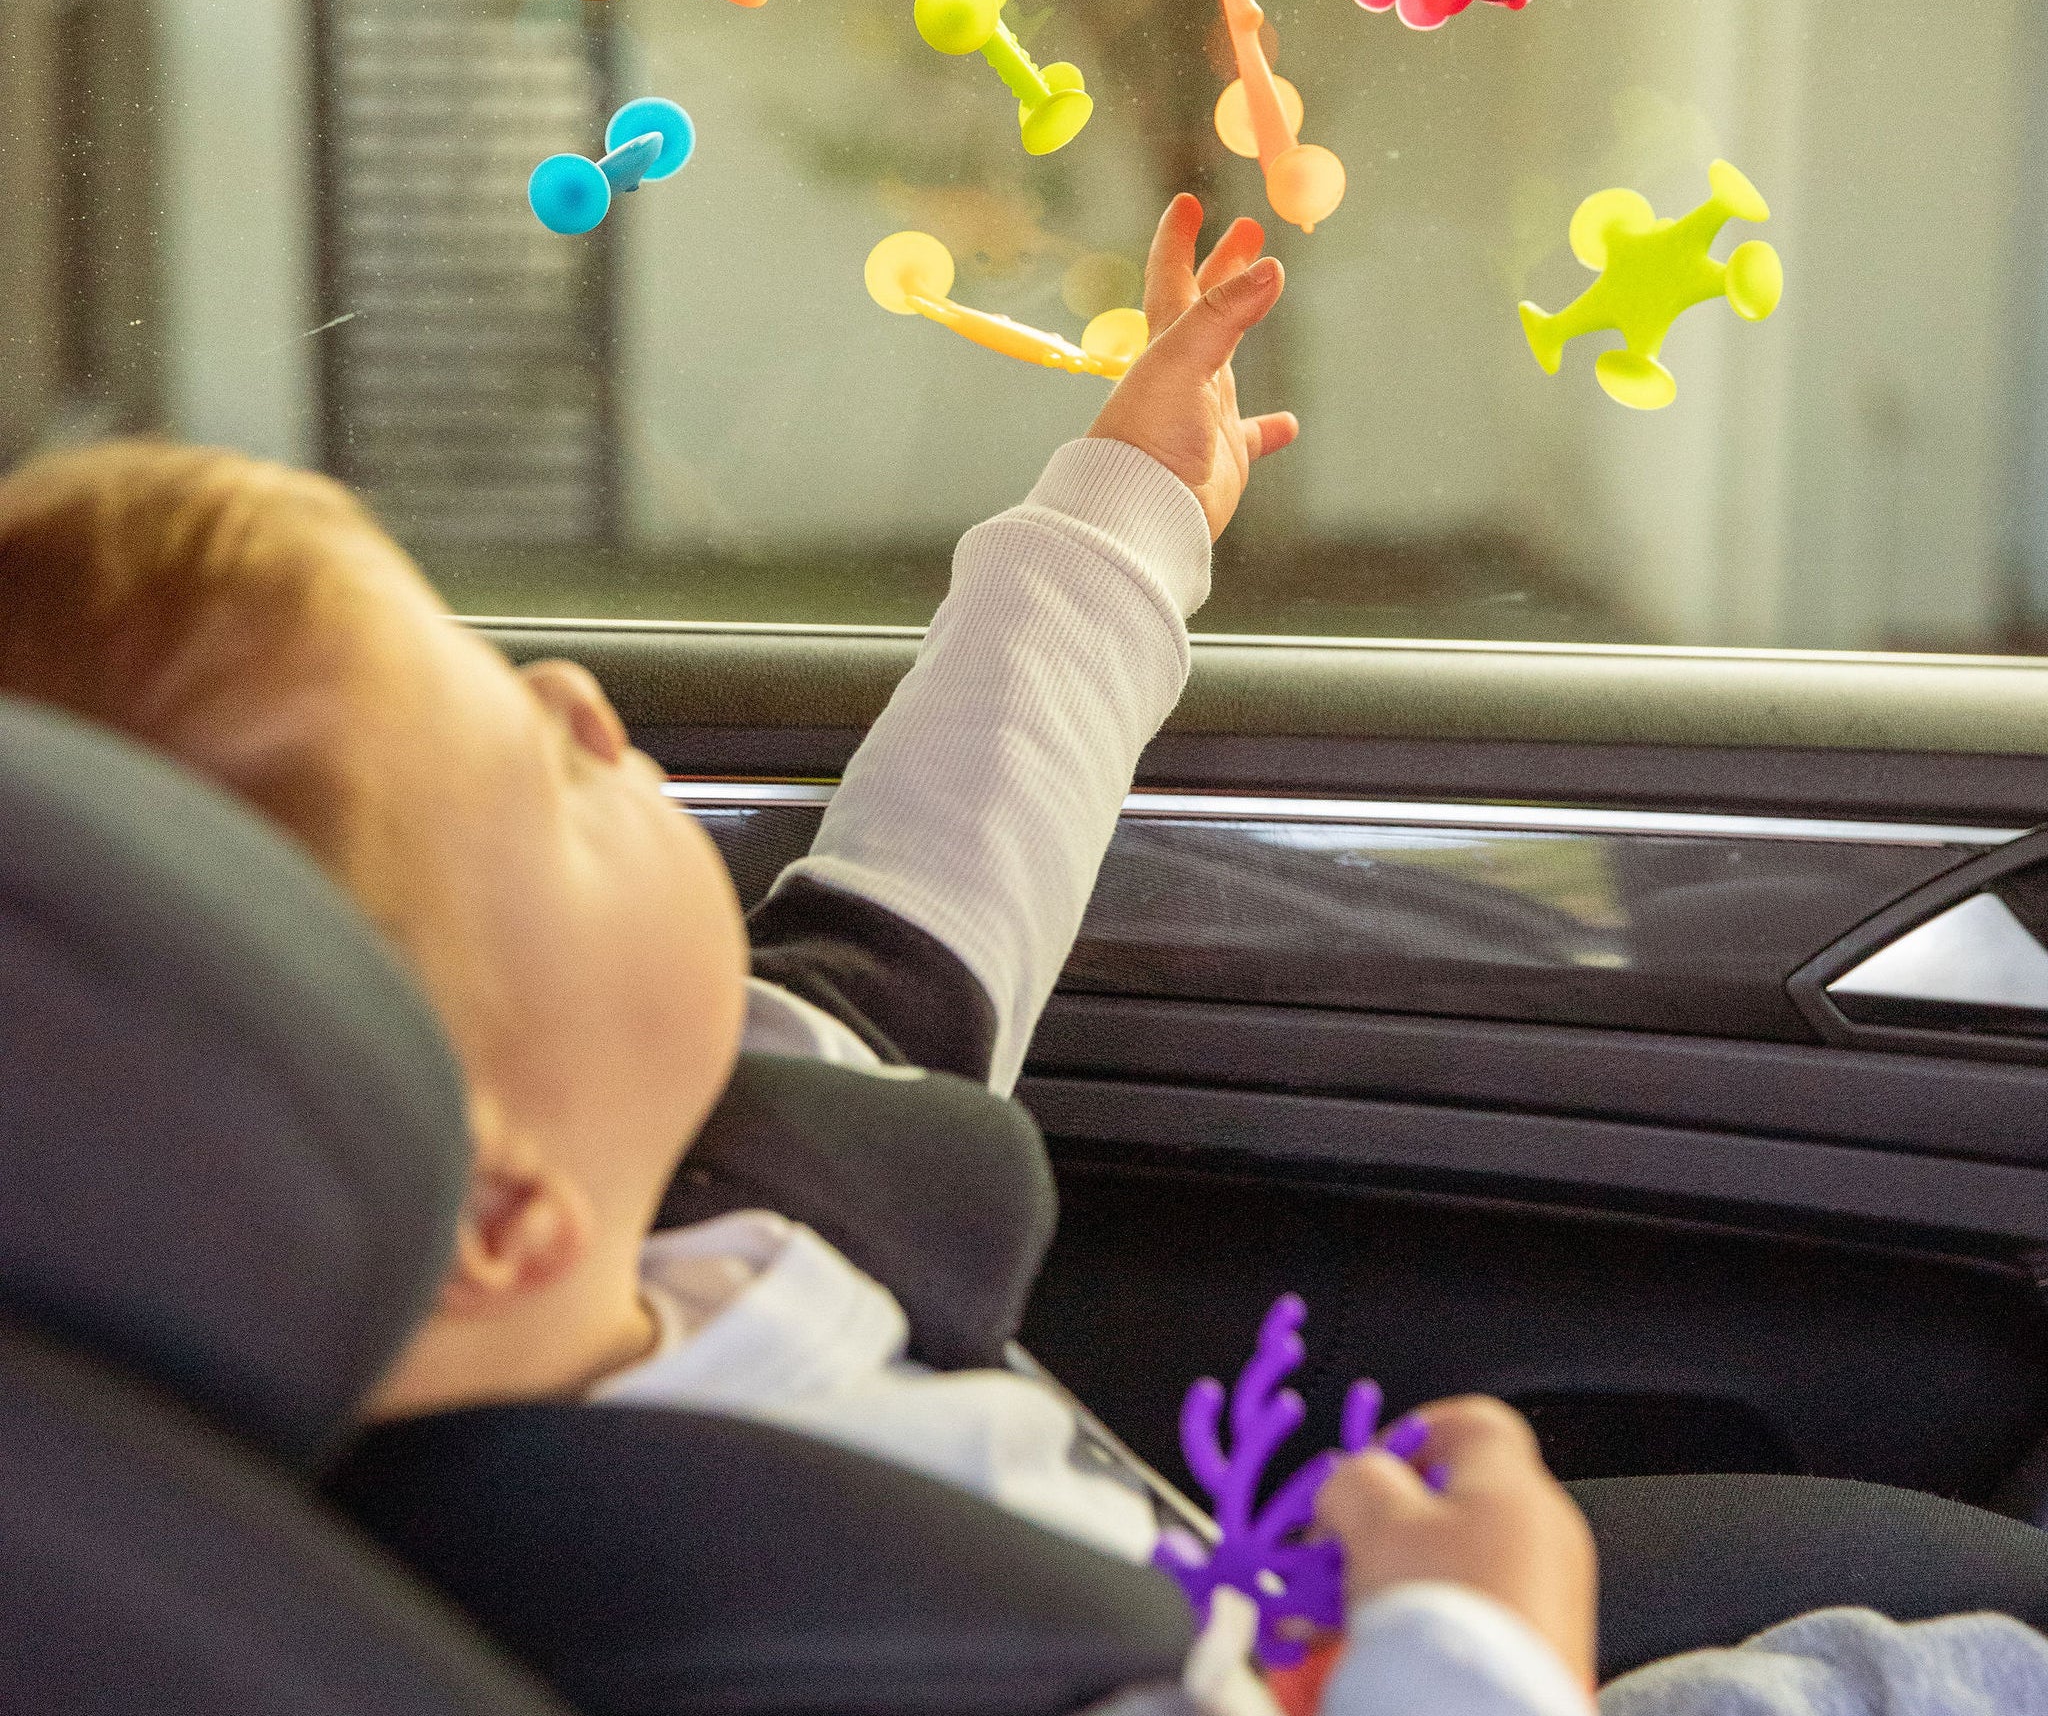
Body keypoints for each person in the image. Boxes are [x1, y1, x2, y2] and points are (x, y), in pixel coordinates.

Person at [0, 192, 2040, 1716]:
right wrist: (1474, 1636)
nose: (581, 692)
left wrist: (1128, 508)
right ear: (497, 1217)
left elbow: (960, 840)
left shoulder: (718, 1174)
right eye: (536, 756)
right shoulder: (729, 1621)